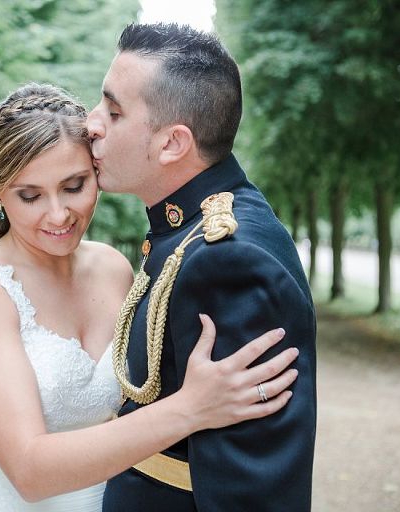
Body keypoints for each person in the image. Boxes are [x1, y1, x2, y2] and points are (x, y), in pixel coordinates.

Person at [0, 83, 300, 511]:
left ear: (96, 171)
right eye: (30, 196)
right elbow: (29, 471)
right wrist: (192, 407)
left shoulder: (112, 268)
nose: (58, 214)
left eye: (74, 186)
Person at [87, 24, 317, 511]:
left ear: (173, 143)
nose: (92, 123)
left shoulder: (229, 259)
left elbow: (252, 487)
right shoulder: (189, 229)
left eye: (114, 111)